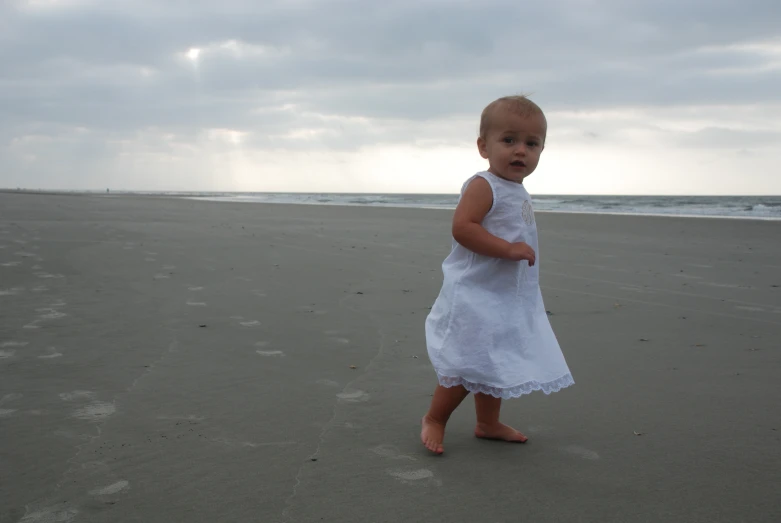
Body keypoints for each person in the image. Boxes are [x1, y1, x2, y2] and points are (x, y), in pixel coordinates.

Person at [421, 95, 574, 455]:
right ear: (483, 146)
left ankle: (487, 423)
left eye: (532, 144)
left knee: (494, 359)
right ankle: (436, 418)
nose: (521, 151)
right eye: (509, 141)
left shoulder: (516, 189)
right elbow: (463, 227)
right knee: (468, 359)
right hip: (476, 292)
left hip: (505, 294)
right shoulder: (483, 185)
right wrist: (508, 250)